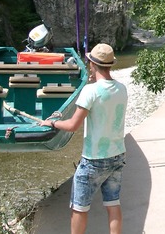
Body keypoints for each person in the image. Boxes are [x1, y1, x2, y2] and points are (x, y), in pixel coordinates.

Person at [41, 43, 128, 234]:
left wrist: (52, 123)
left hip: (94, 158)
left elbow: (73, 125)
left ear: (92, 64)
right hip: (117, 154)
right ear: (110, 64)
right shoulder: (122, 89)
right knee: (113, 203)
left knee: (79, 206)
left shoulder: (90, 91)